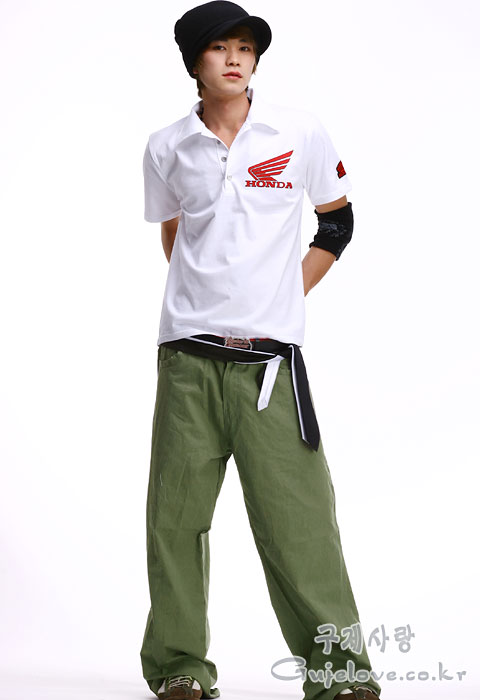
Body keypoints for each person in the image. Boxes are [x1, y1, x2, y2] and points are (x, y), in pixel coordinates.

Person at [139, 3, 382, 700]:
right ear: (195, 62)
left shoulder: (296, 131)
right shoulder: (166, 146)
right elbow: (175, 235)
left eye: (245, 47)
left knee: (300, 525)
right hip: (188, 360)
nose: (235, 59)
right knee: (175, 522)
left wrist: (284, 293)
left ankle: (340, 675)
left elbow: (337, 223)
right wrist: (213, 294)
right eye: (220, 48)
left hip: (271, 368)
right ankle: (179, 669)